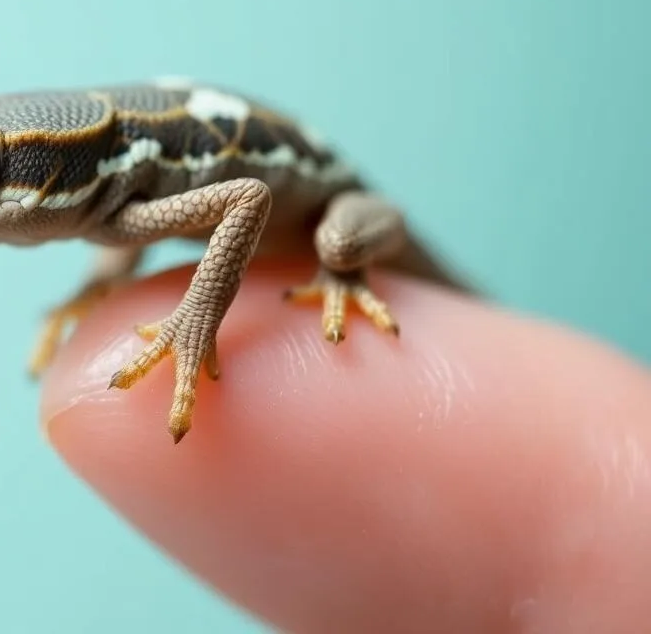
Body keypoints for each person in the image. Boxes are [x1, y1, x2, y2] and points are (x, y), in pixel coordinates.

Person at [39, 260, 651, 633]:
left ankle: (344, 271)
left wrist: (198, 318)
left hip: (338, 216)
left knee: (337, 246)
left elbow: (247, 196)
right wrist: (105, 280)